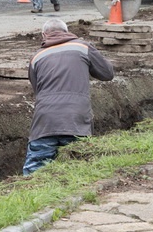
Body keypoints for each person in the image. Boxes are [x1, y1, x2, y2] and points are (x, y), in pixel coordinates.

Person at [23, 19, 115, 175]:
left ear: (43, 35)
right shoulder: (83, 47)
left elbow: (37, 89)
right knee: (79, 168)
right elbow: (107, 74)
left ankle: (33, 196)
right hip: (76, 119)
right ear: (66, 31)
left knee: (35, 170)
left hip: (45, 121)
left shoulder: (36, 57)